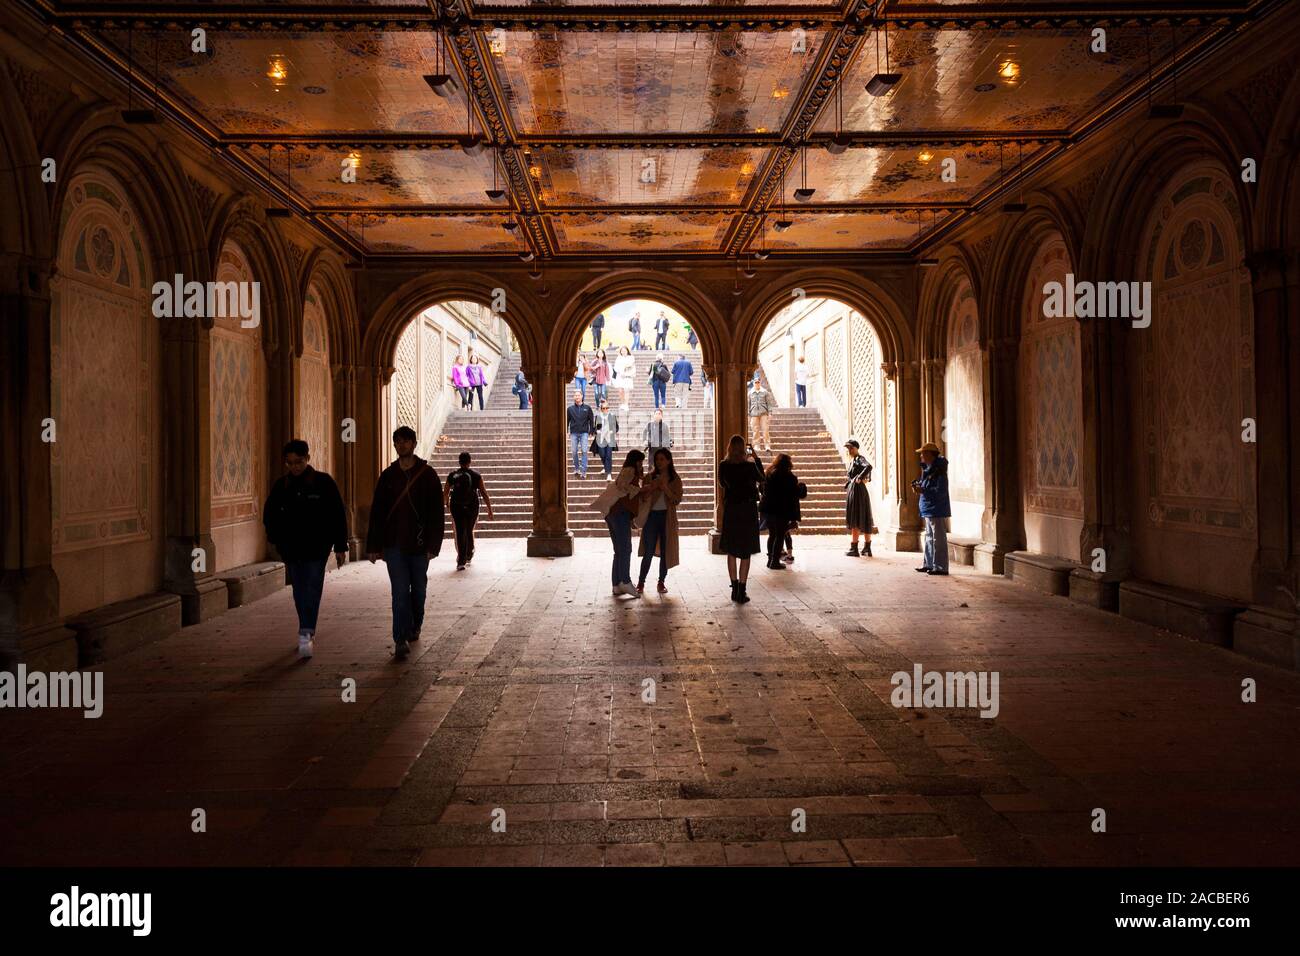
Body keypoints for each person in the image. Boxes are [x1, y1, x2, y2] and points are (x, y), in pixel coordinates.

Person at [262, 439, 349, 660]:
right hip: (291, 549)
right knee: (299, 590)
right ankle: (306, 627)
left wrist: (340, 546)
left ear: (307, 459)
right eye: (290, 463)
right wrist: (275, 539)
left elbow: (337, 515)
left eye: (298, 462)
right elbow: (269, 515)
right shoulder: (281, 487)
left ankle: (305, 632)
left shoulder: (323, 483)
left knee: (312, 587)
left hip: (316, 548)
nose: (294, 467)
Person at [365, 426, 445, 660]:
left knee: (418, 590)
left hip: (419, 545)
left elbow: (436, 513)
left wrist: (433, 545)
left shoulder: (427, 475)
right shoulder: (388, 476)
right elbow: (377, 512)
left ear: (414, 443)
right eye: (397, 442)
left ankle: (415, 624)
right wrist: (373, 546)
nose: (401, 445)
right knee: (400, 592)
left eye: (405, 441)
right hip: (394, 546)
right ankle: (400, 639)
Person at [718, 435, 764, 603]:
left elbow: (722, 484)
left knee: (731, 550)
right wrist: (756, 459)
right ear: (744, 448)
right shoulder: (749, 466)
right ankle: (742, 591)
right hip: (747, 510)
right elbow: (762, 479)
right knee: (745, 551)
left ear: (730, 448)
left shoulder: (723, 466)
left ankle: (734, 587)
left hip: (731, 510)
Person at [593, 450, 645, 598]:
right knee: (626, 548)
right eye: (640, 461)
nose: (642, 464)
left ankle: (616, 584)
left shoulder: (628, 470)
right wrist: (640, 490)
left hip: (614, 514)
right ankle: (625, 581)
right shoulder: (630, 470)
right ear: (636, 461)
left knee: (619, 550)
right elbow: (622, 486)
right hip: (619, 513)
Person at [635, 448, 684, 595]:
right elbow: (642, 498)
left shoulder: (675, 479)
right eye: (657, 459)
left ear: (669, 461)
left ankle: (661, 582)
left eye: (662, 459)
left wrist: (665, 488)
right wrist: (652, 487)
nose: (659, 462)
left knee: (665, 551)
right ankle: (641, 582)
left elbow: (676, 500)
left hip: (667, 518)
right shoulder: (649, 477)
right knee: (648, 551)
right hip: (652, 518)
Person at [444, 451, 493, 571]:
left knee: (460, 531)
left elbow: (445, 491)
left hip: (456, 506)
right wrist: (489, 509)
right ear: (470, 462)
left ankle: (461, 561)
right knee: (469, 529)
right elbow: (483, 492)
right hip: (472, 506)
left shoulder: (453, 475)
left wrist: (446, 503)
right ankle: (469, 553)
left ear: (459, 462)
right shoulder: (476, 475)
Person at [912, 442, 951, 576]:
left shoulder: (939, 471)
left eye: (923, 453)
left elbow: (940, 491)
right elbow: (927, 488)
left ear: (930, 454)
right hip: (928, 507)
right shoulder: (928, 470)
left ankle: (941, 567)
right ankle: (929, 564)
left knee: (938, 539)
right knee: (929, 537)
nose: (921, 456)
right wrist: (919, 487)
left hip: (936, 508)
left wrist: (923, 489)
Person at [759, 453, 802, 571]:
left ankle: (770, 560)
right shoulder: (789, 477)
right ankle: (774, 561)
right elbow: (795, 493)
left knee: (772, 535)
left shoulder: (769, 473)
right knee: (780, 535)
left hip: (768, 509)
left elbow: (761, 488)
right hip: (781, 510)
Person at [843, 439, 874, 557]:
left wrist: (860, 477)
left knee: (855, 517)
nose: (849, 450)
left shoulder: (859, 459)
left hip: (857, 491)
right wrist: (849, 482)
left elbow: (868, 467)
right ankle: (867, 548)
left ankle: (854, 548)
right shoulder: (853, 461)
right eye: (848, 448)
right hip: (855, 490)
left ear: (856, 448)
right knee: (862, 516)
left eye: (851, 448)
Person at [567, 390, 594, 479]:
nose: (577, 397)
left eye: (578, 395)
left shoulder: (587, 408)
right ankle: (577, 468)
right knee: (574, 451)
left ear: (582, 396)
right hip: (574, 433)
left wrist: (591, 430)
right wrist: (566, 431)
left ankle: (584, 471)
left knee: (584, 451)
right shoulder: (570, 409)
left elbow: (591, 419)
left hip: (584, 433)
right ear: (574, 397)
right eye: (575, 395)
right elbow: (567, 421)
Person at [593, 397, 620, 481]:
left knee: (608, 455)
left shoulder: (612, 416)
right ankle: (606, 467)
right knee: (602, 454)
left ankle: (609, 474)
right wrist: (597, 431)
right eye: (603, 408)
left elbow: (617, 427)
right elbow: (594, 428)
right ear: (601, 409)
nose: (605, 409)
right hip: (600, 439)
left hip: (609, 439)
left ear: (608, 408)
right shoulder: (598, 417)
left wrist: (612, 432)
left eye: (606, 408)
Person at [748, 376, 774, 452]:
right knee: (755, 430)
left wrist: (770, 413)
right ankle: (756, 445)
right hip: (754, 414)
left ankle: (767, 445)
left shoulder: (765, 392)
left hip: (764, 414)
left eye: (758, 382)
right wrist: (748, 414)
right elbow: (748, 404)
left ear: (760, 383)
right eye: (755, 382)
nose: (757, 384)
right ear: (753, 383)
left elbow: (769, 404)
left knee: (765, 429)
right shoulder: (750, 393)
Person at [614, 345, 635, 412]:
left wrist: (625, 368)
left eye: (624, 350)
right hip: (620, 376)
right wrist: (620, 371)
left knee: (626, 390)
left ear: (627, 351)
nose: (623, 352)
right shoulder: (619, 358)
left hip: (627, 376)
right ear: (620, 352)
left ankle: (626, 404)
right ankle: (623, 403)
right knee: (620, 391)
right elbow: (616, 367)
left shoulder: (631, 357)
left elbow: (630, 365)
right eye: (622, 351)